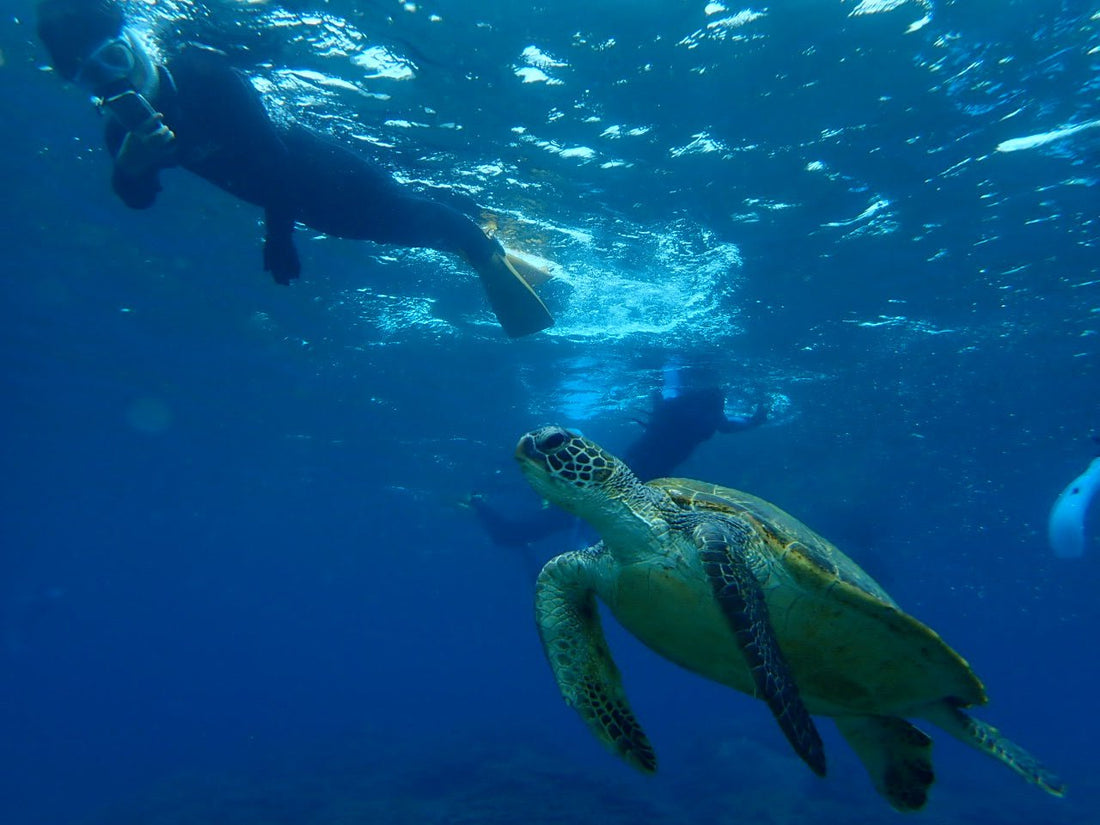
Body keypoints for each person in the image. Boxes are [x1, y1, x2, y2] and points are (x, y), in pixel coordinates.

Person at [34, 0, 554, 337]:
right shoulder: (120, 131)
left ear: (135, 40)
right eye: (90, 78)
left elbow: (272, 156)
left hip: (324, 171)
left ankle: (483, 247)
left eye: (115, 57)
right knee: (394, 234)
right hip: (300, 205)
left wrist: (277, 238)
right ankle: (494, 249)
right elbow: (139, 200)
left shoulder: (202, 73)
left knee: (403, 212)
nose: (112, 80)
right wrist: (131, 166)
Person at [470, 375, 770, 549]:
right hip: (640, 470)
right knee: (595, 506)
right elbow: (722, 422)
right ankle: (517, 523)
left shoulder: (692, 408)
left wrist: (753, 420)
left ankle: (517, 523)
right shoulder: (692, 409)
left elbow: (724, 422)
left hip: (645, 471)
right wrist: (752, 420)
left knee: (589, 508)